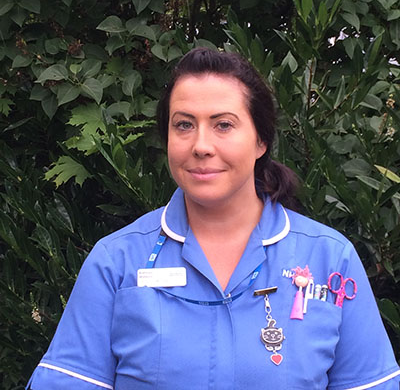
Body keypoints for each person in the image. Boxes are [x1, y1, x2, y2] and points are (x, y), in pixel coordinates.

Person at [27, 48, 400, 390]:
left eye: (223, 124)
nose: (201, 145)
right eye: (184, 125)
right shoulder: (116, 262)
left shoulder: (332, 260)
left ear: (260, 140)